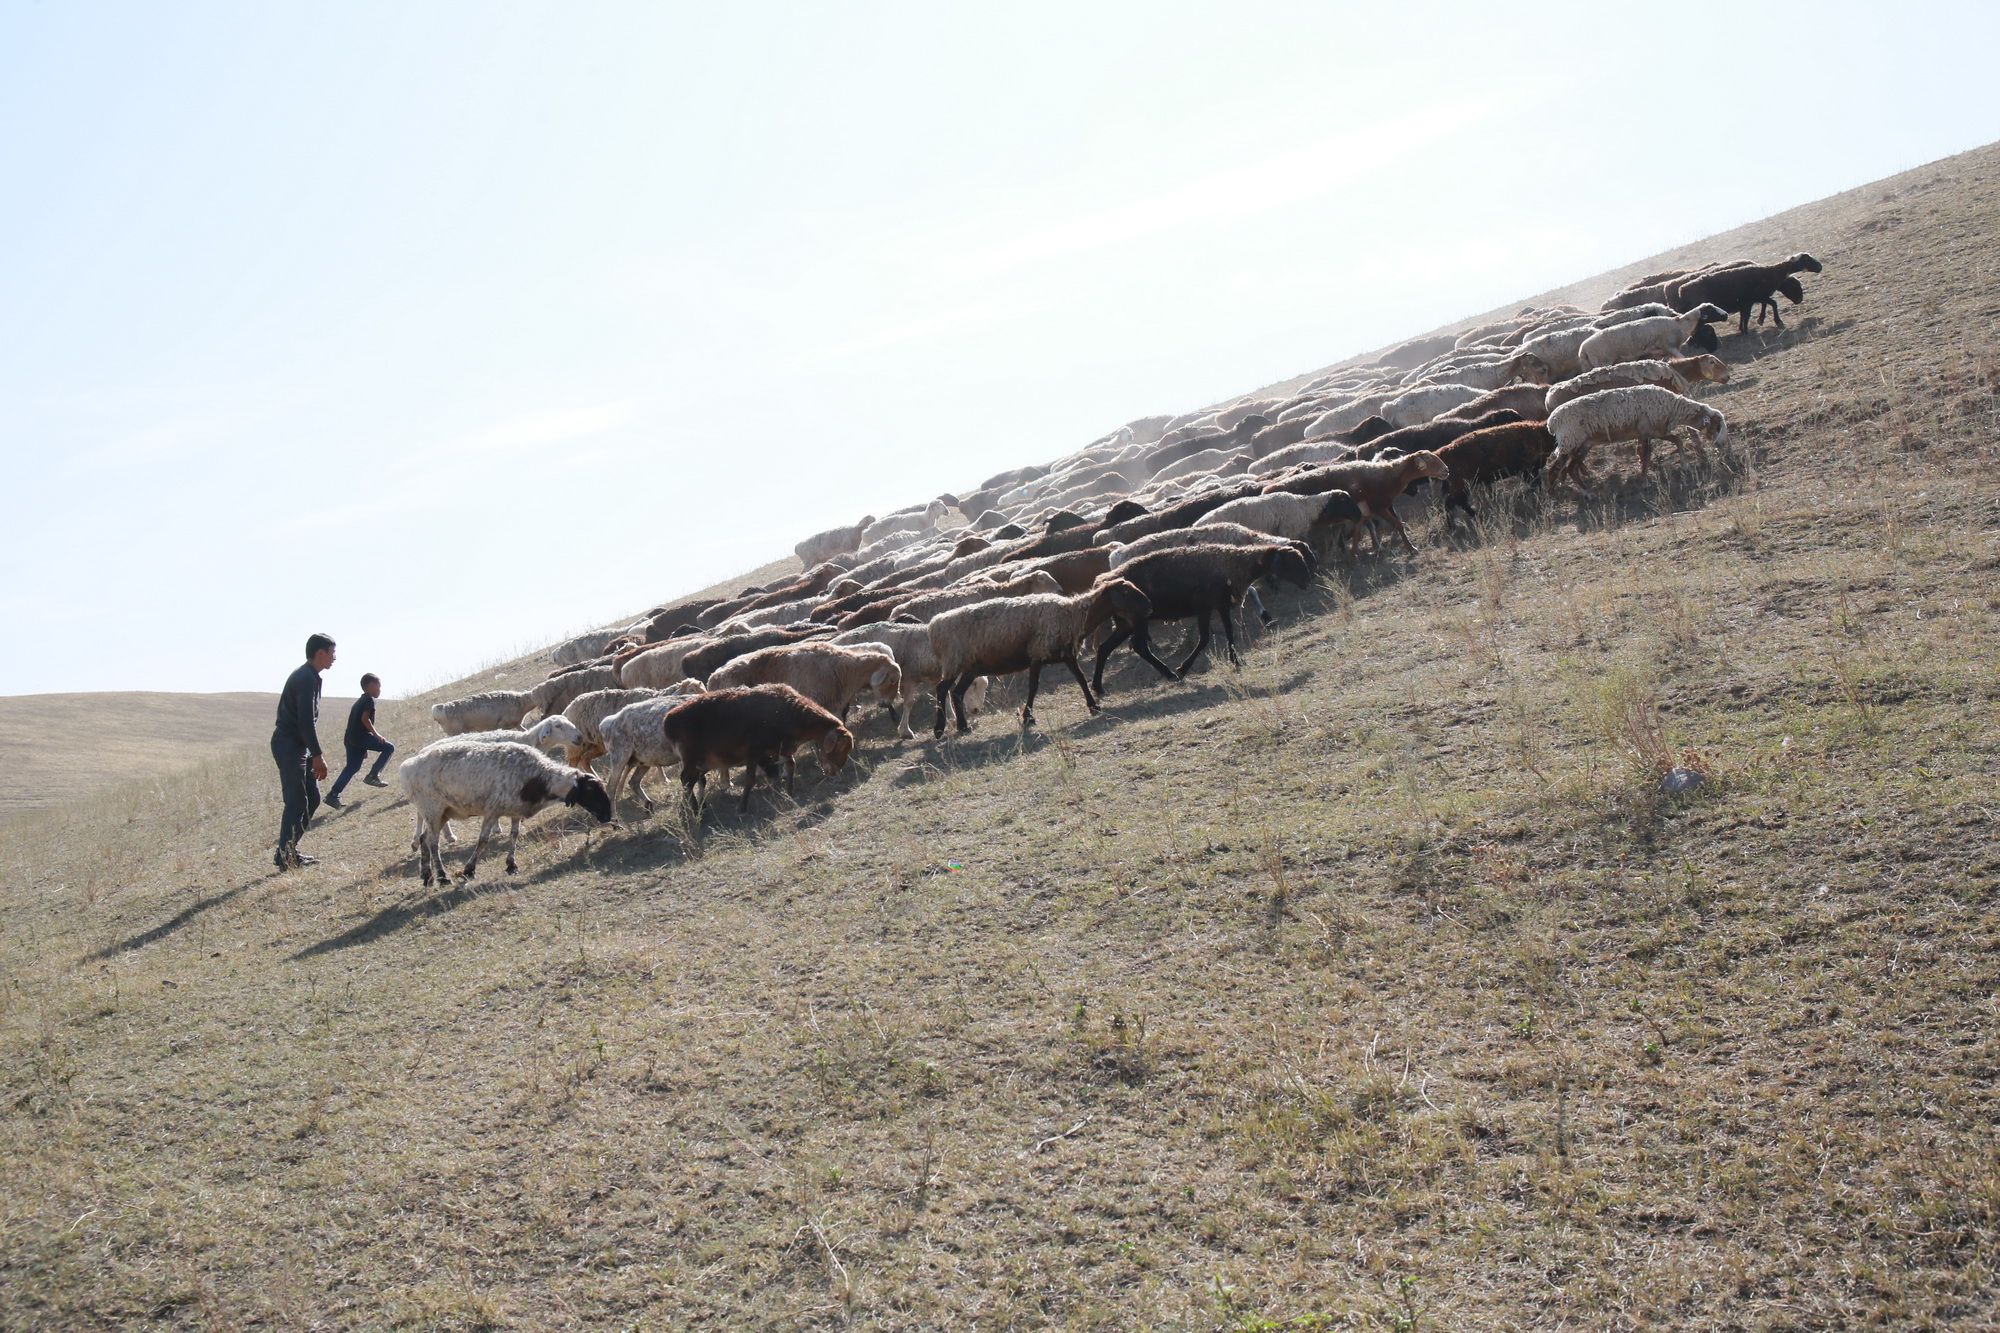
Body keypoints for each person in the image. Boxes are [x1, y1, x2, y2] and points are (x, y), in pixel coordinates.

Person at [272, 633, 334, 870]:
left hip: (299, 746)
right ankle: (285, 855)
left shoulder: (312, 676)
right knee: (296, 801)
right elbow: (305, 722)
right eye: (332, 652)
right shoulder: (305, 678)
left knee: (313, 797)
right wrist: (317, 755)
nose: (334, 658)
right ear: (320, 653)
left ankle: (287, 852)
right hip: (289, 745)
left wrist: (312, 752)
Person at [325, 673, 394, 807]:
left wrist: (363, 747)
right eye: (378, 687)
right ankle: (373, 775)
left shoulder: (359, 701)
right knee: (389, 748)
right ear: (371, 686)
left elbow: (355, 723)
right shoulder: (369, 700)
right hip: (360, 737)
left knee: (352, 767)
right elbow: (364, 719)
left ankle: (332, 795)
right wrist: (376, 735)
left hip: (351, 738)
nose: (380, 690)